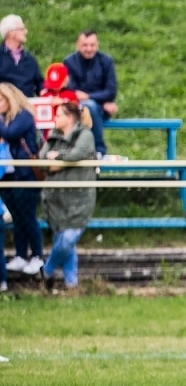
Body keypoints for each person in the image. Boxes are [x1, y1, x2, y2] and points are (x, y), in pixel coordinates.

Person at [39, 99, 96, 290]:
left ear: (69, 117)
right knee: (64, 243)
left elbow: (76, 155)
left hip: (79, 199)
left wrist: (58, 159)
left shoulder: (85, 135)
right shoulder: (53, 136)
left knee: (67, 240)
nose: (55, 118)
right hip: (55, 198)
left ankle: (46, 271)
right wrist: (56, 161)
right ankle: (72, 285)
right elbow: (42, 159)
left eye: (58, 114)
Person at [0, 82, 44, 278]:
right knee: (17, 218)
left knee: (28, 216)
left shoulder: (24, 115)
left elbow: (10, 133)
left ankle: (37, 255)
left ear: (11, 99)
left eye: (1, 100)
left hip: (25, 174)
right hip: (8, 175)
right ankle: (20, 255)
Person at [62, 29, 118, 157]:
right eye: (85, 45)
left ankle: (98, 150)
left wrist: (90, 97)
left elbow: (111, 91)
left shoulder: (106, 61)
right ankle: (97, 149)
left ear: (97, 45)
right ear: (78, 45)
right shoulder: (69, 62)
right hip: (77, 109)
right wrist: (101, 101)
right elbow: (72, 91)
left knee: (91, 105)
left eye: (92, 45)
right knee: (89, 106)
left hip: (100, 110)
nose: (89, 49)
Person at [0, 15, 42, 98]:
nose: (26, 32)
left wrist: (46, 92)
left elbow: (39, 83)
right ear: (11, 33)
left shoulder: (30, 59)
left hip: (27, 106)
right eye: (22, 29)